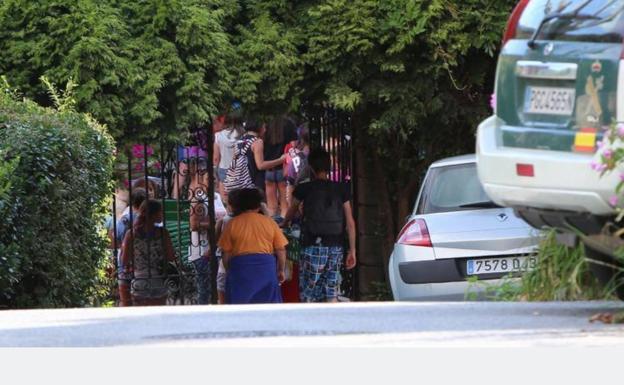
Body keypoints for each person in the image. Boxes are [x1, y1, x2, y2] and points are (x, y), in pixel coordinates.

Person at [282, 149, 357, 303]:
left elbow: (291, 212)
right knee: (331, 291)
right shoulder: (341, 189)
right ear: (329, 166)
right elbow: (350, 222)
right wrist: (352, 250)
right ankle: (332, 323)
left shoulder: (303, 189)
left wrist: (283, 223)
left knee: (309, 291)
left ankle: (310, 323)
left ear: (311, 167)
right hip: (336, 246)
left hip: (312, 245)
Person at [218, 188, 288, 304]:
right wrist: (280, 270)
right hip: (266, 268)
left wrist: (230, 271)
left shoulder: (232, 224)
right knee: (267, 305)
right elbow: (281, 250)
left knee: (240, 305)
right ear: (258, 205)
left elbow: (226, 254)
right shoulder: (270, 222)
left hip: (240, 269)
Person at [121, 199, 176, 306]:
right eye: (160, 212)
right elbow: (171, 257)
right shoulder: (163, 233)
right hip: (158, 280)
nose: (162, 214)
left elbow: (124, 260)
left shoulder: (131, 234)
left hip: (139, 281)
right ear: (154, 214)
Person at [223, 120, 285, 194]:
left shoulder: (239, 141)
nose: (265, 130)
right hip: (253, 182)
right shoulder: (257, 142)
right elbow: (260, 165)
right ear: (258, 127)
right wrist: (281, 160)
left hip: (239, 183)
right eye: (264, 127)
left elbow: (234, 162)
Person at [114, 188, 147, 306]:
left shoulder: (125, 218)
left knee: (126, 302)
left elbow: (117, 236)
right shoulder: (148, 219)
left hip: (126, 264)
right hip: (142, 265)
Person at [264, 116, 297, 219]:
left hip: (268, 167)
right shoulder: (289, 123)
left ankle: (272, 225)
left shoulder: (265, 123)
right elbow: (293, 145)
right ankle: (284, 226)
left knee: (271, 206)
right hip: (284, 167)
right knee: (284, 203)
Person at [214, 114, 245, 204]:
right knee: (239, 198)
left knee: (226, 199)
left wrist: (216, 171)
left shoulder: (218, 135)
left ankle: (228, 214)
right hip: (240, 169)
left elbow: (216, 158)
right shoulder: (243, 135)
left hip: (223, 168)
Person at [284, 124, 311, 205]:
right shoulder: (323, 157)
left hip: (302, 203)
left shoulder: (296, 160)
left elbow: (290, 187)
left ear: (301, 139)